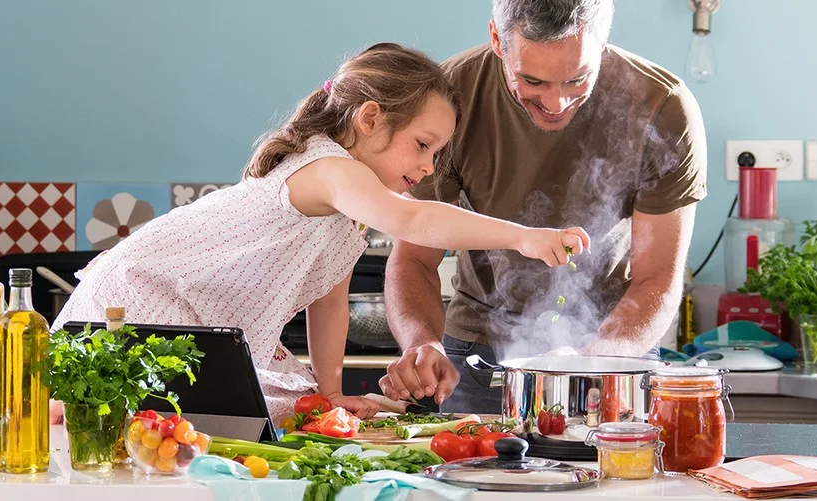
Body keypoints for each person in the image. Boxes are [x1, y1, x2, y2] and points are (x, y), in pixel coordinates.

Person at [51, 42, 591, 424]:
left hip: (193, 320)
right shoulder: (331, 169)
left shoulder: (347, 213)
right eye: (423, 145)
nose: (429, 167)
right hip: (142, 297)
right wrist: (524, 237)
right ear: (371, 118)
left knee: (254, 417)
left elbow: (328, 304)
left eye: (437, 153)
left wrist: (331, 390)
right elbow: (414, 220)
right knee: (118, 425)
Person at [379, 0, 708, 414]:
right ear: (498, 40)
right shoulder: (448, 100)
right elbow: (413, 259)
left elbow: (657, 279)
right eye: (532, 80)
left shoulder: (663, 106)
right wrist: (421, 342)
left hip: (613, 353)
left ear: (602, 42)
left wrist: (594, 361)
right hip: (478, 357)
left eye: (577, 79)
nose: (556, 103)